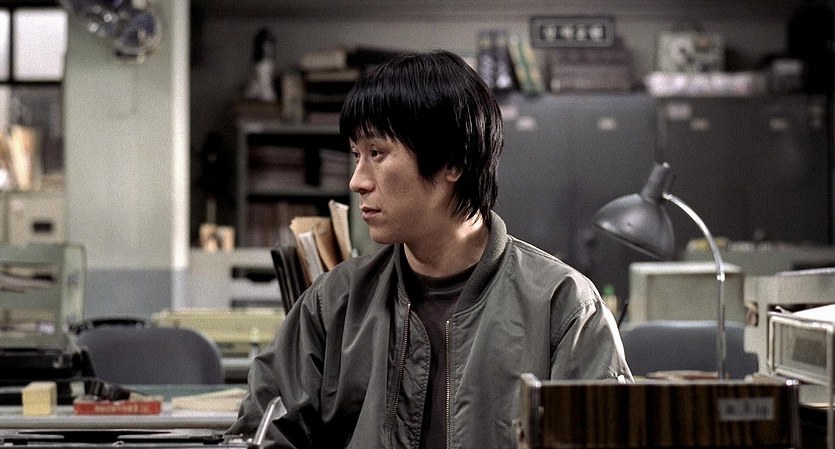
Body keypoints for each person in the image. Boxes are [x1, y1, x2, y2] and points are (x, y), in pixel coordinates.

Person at [227, 49, 632, 449]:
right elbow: (261, 434)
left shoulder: (563, 308)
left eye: (376, 153)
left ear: (451, 161)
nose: (356, 181)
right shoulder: (333, 305)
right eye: (355, 155)